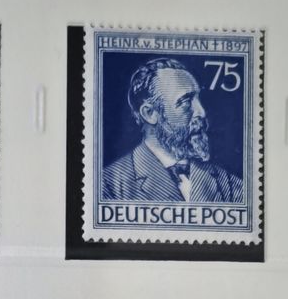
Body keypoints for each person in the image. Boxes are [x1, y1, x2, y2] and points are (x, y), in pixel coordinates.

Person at [102, 57, 243, 205]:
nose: (201, 112)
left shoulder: (231, 186)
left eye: (197, 99)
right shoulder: (109, 187)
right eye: (185, 102)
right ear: (150, 113)